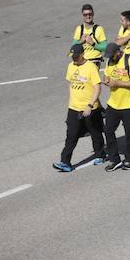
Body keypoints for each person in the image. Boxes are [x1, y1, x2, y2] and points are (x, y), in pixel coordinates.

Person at [53, 43, 106, 172]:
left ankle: (100, 154)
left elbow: (97, 87)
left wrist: (90, 105)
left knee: (95, 132)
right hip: (74, 107)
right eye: (72, 57)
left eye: (76, 57)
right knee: (71, 135)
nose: (74, 59)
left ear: (83, 54)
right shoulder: (71, 66)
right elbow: (71, 84)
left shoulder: (91, 67)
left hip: (90, 108)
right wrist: (71, 101)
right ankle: (65, 162)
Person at [102, 43, 130, 172]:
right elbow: (106, 74)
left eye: (112, 55)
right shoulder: (109, 61)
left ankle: (129, 159)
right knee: (108, 130)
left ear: (118, 52)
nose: (111, 58)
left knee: (129, 132)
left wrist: (118, 83)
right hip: (113, 103)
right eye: (109, 56)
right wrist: (106, 80)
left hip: (129, 103)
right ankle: (115, 159)